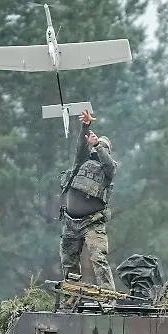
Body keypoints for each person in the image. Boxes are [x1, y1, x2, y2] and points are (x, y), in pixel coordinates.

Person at [58, 108, 117, 289]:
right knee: (69, 260)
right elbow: (80, 146)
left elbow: (108, 163)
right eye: (96, 144)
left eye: (103, 146)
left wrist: (99, 145)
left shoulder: (109, 168)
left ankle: (108, 296)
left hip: (92, 223)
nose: (98, 146)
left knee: (98, 258)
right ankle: (72, 295)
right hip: (70, 222)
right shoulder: (82, 161)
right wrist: (85, 125)